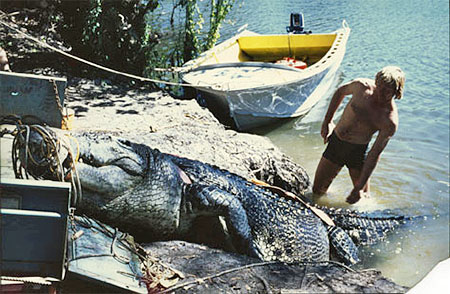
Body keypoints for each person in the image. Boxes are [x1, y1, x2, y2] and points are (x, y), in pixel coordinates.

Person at [312, 66, 405, 204]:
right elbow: (340, 92)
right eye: (379, 86)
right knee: (317, 191)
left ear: (396, 92)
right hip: (336, 143)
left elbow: (374, 154)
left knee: (361, 199)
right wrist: (328, 121)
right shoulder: (362, 87)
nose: (380, 92)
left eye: (386, 91)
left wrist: (359, 187)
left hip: (357, 152)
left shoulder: (389, 120)